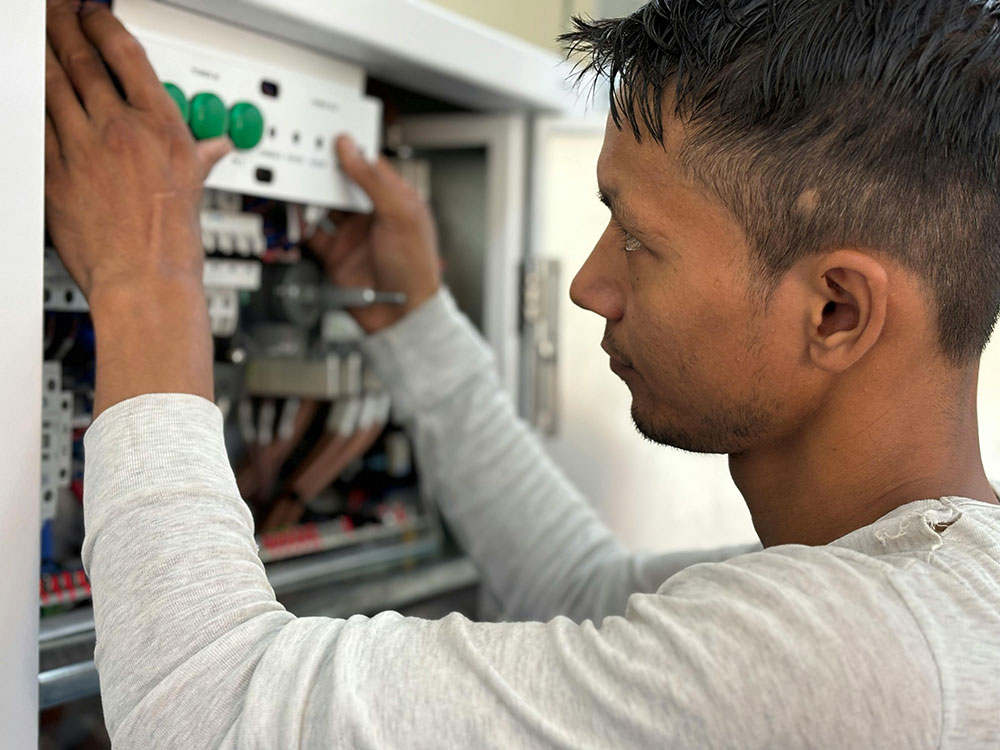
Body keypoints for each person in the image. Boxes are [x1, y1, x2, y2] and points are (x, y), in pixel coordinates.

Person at [44, 0, 1000, 746]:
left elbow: (211, 714)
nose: (588, 285)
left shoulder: (861, 661)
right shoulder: (923, 597)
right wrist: (413, 322)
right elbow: (582, 587)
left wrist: (144, 274)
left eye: (637, 238)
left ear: (836, 310)